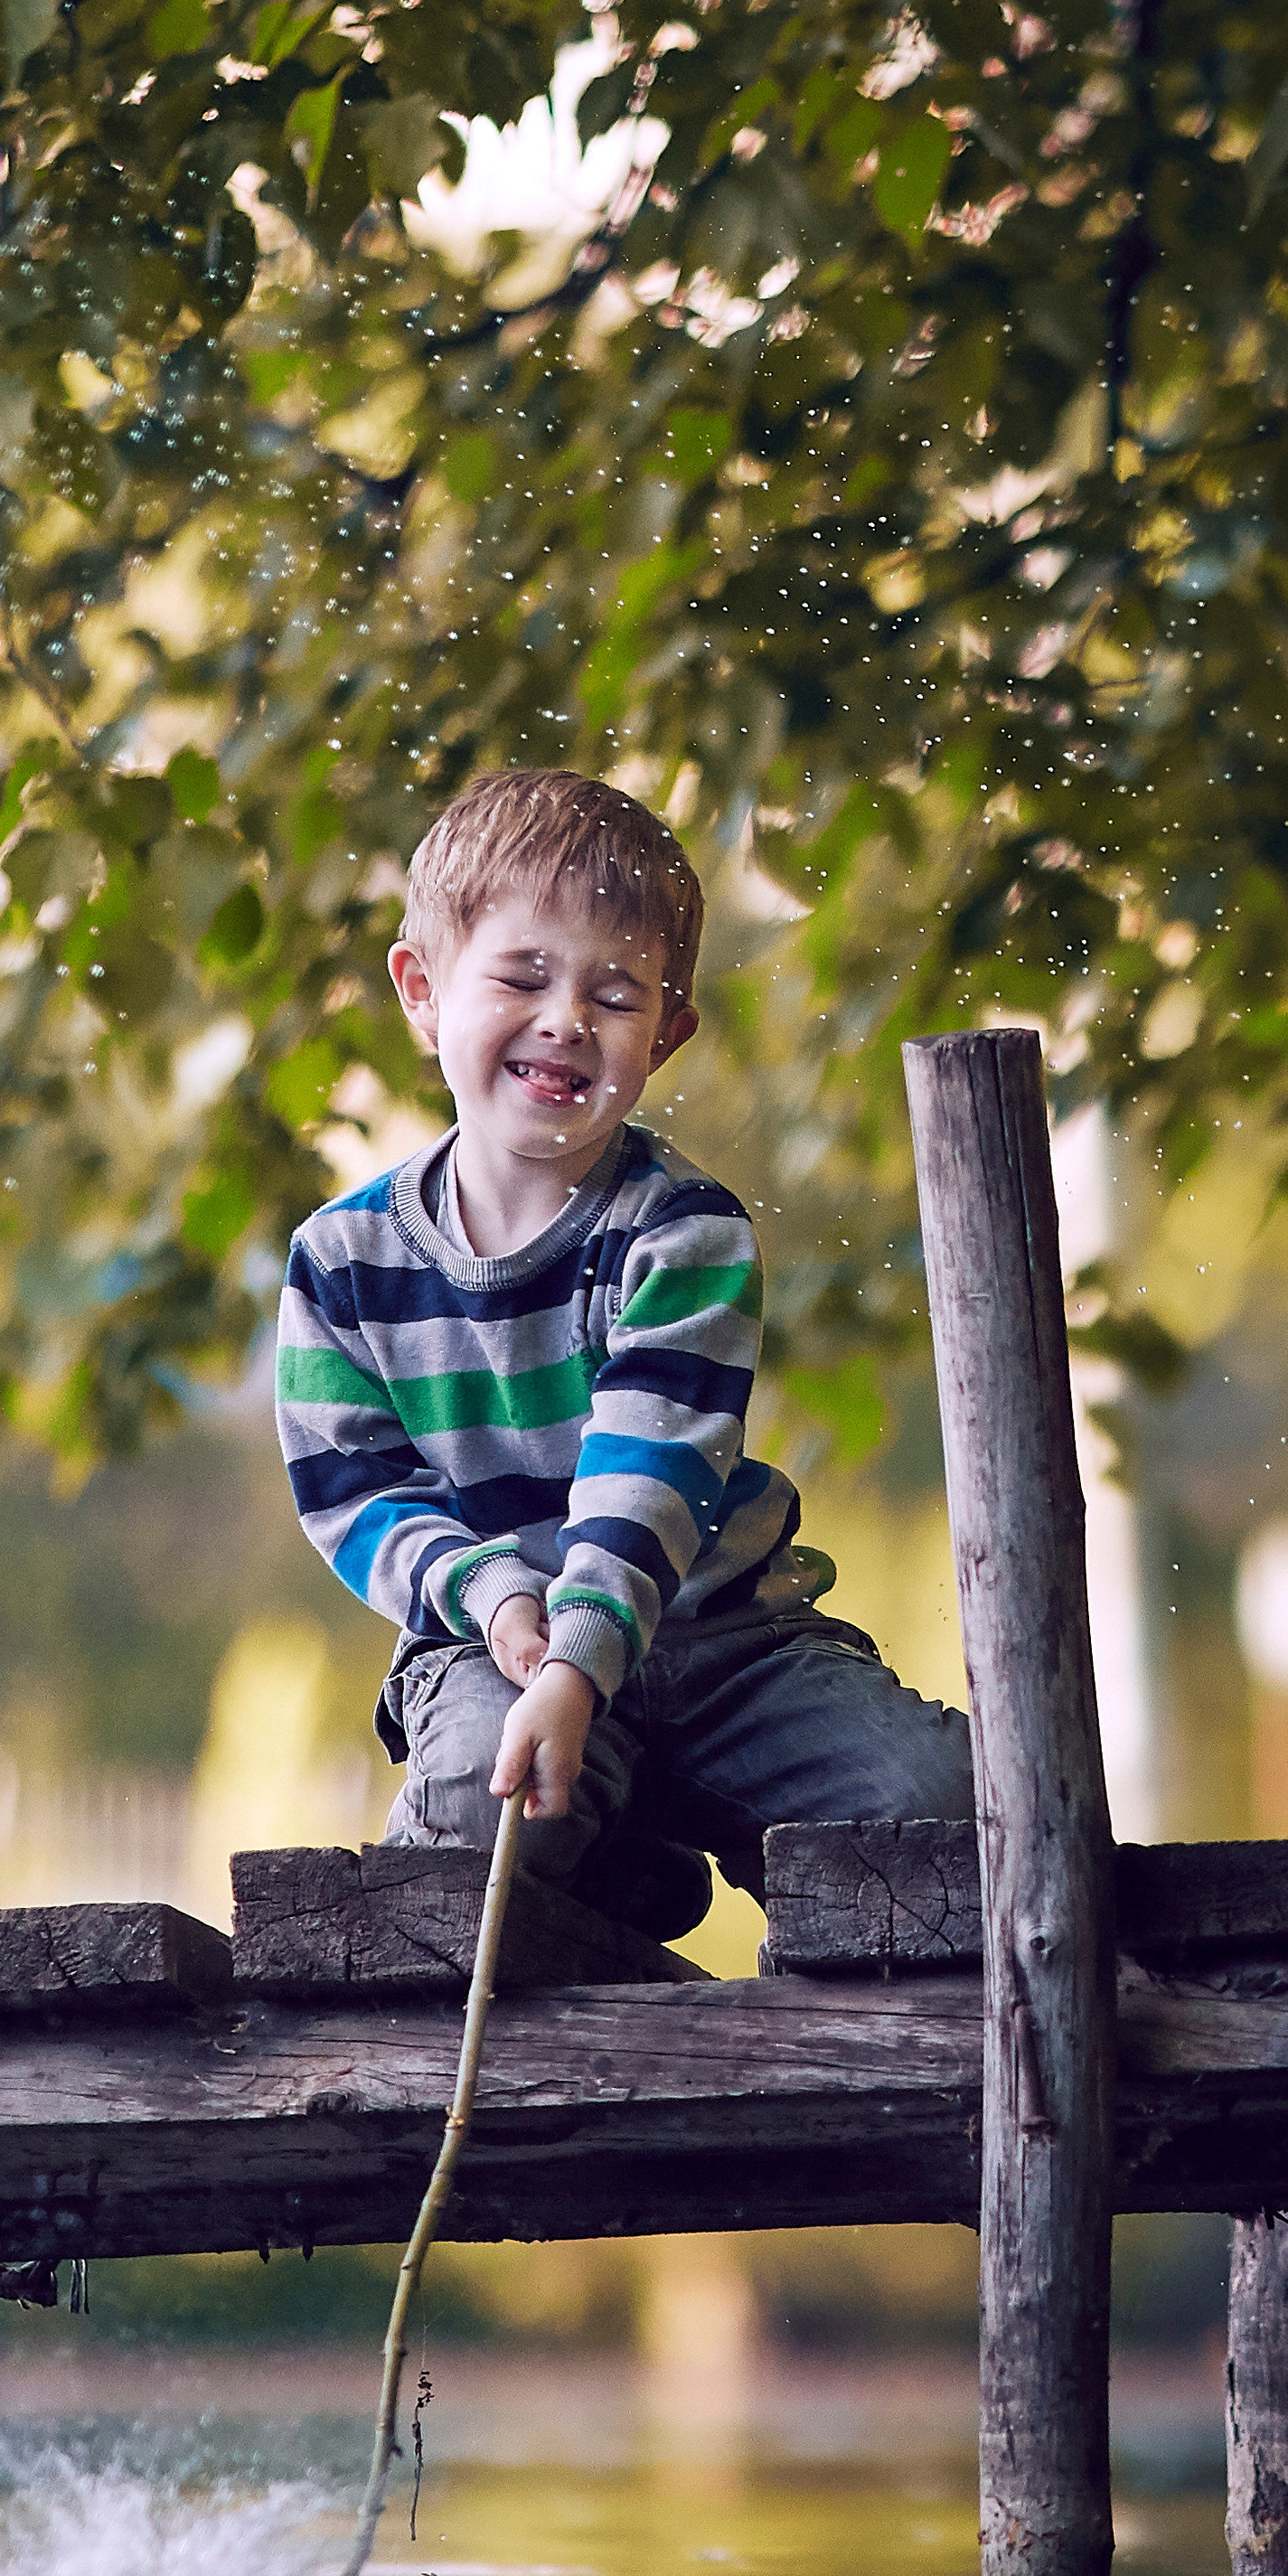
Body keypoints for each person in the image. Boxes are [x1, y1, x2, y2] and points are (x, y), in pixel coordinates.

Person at [274, 766, 973, 1941]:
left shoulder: (682, 1232)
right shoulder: (343, 1263)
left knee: (941, 1805)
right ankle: (615, 1847)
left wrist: (585, 1664)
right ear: (422, 990)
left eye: (614, 994)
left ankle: (653, 1812)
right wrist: (493, 1598)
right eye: (523, 976)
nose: (566, 1020)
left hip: (719, 1636)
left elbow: (652, 1477)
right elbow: (354, 1493)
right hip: (498, 1640)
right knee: (475, 1816)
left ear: (669, 1031)